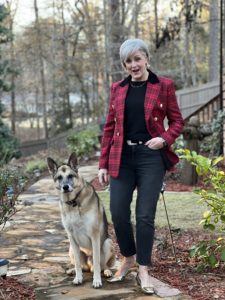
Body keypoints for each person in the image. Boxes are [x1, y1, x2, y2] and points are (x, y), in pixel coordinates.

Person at [98, 38, 184, 294]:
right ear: (124, 65)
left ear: (146, 58)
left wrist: (164, 139)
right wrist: (103, 163)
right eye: (128, 61)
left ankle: (144, 268)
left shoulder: (164, 86)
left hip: (150, 157)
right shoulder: (117, 89)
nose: (133, 65)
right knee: (118, 212)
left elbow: (178, 121)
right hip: (122, 157)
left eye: (137, 59)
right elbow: (110, 127)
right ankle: (128, 257)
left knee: (145, 216)